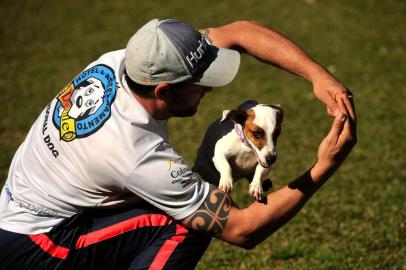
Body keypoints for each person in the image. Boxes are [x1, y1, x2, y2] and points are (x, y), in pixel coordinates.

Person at [0, 18, 356, 269]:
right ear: (163, 91)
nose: (210, 89)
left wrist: (318, 76)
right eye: (199, 83)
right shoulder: (134, 151)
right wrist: (324, 166)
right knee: (185, 223)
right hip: (37, 248)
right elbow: (242, 229)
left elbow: (239, 32)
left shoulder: (124, 61)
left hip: (20, 214)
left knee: (190, 196)